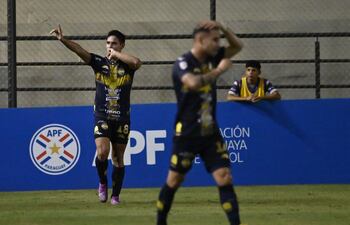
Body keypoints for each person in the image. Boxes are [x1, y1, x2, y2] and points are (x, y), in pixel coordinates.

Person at [156, 21, 243, 225]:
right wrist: (219, 71)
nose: (217, 43)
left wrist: (222, 27)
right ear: (200, 40)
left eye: (218, 39)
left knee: (224, 176)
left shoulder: (213, 57)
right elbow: (193, 83)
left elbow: (238, 46)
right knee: (174, 180)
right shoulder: (183, 62)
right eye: (214, 40)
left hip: (210, 131)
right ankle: (160, 221)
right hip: (187, 133)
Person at [50, 25, 141, 205]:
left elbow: (137, 62)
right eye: (107, 43)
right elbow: (80, 51)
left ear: (122, 45)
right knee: (102, 152)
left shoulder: (128, 65)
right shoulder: (99, 62)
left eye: (114, 43)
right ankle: (102, 182)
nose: (110, 46)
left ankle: (115, 195)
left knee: (118, 157)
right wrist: (63, 40)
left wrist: (116, 55)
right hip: (102, 115)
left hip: (122, 117)